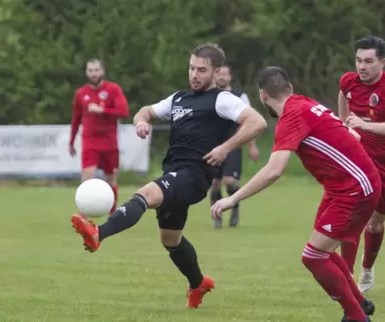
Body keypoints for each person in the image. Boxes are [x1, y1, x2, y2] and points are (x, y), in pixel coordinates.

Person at [71, 44, 267, 309]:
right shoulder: (179, 98)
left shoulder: (222, 99)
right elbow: (146, 111)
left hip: (194, 175)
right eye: (191, 68)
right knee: (170, 240)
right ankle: (198, 284)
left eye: (202, 70)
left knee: (146, 193)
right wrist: (141, 121)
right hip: (174, 172)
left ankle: (98, 234)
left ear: (216, 72)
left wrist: (225, 148)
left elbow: (257, 122)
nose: (194, 74)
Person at [211, 66, 380, 322]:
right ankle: (359, 303)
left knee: (313, 257)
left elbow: (274, 170)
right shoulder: (304, 103)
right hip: (345, 186)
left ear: (263, 96)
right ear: (289, 88)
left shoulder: (291, 116)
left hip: (355, 188)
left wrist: (233, 198)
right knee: (323, 252)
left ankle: (356, 317)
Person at [338, 36, 385, 293]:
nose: (362, 66)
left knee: (374, 224)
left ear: (382, 62)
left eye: (369, 61)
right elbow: (343, 103)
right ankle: (345, 278)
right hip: (361, 158)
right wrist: (345, 125)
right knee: (352, 216)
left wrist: (365, 125)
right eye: (358, 60)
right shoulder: (349, 81)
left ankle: (367, 269)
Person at [69, 59, 129, 214]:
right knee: (87, 178)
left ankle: (113, 215)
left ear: (102, 71)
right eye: (90, 70)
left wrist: (103, 110)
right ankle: (83, 218)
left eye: (96, 70)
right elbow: (76, 119)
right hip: (90, 142)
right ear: (86, 73)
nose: (93, 73)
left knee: (110, 181)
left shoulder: (113, 89)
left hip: (110, 143)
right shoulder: (81, 93)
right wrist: (71, 141)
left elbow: (124, 112)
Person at [211, 63, 260, 228]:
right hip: (212, 145)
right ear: (214, 75)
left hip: (233, 145)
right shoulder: (209, 96)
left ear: (230, 77)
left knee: (229, 181)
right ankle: (216, 217)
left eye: (225, 74)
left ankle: (234, 204)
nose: (222, 77)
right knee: (214, 183)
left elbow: (250, 123)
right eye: (219, 74)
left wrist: (252, 145)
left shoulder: (240, 96)